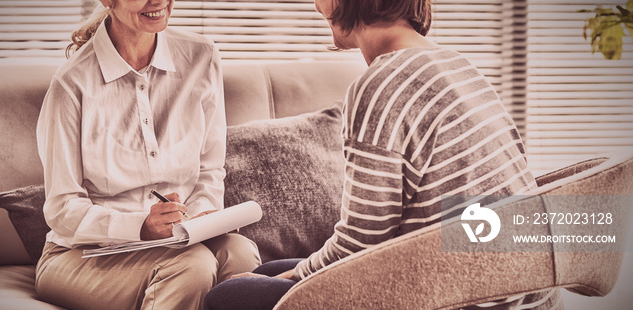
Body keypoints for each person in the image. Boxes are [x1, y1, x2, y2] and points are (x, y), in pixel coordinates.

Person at [203, 0, 562, 309]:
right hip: (522, 291)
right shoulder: (458, 64)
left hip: (458, 296)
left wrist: (296, 277)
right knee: (264, 273)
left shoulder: (380, 86)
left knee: (230, 296)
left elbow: (360, 246)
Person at [34, 0, 261, 309]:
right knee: (192, 267)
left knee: (240, 253)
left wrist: (201, 218)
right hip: (80, 255)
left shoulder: (202, 57)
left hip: (178, 239)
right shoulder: (71, 83)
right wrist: (140, 226)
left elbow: (210, 167)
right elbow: (62, 210)